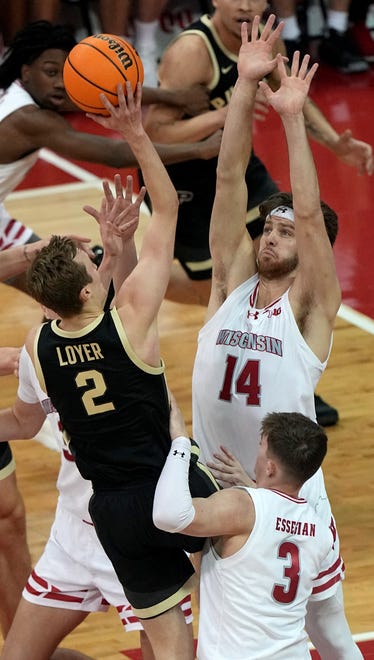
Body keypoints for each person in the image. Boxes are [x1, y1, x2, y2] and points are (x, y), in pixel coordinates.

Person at [2, 82, 218, 660]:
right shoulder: (132, 322)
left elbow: (21, 424)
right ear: (86, 286)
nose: (99, 258)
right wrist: (135, 133)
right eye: (92, 260)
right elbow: (168, 208)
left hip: (106, 508)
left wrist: (113, 250)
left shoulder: (38, 344)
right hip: (143, 507)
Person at [191, 15, 362, 659]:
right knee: (221, 635)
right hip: (219, 492)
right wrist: (243, 82)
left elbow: (314, 216)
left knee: (329, 632)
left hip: (288, 501)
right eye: (271, 227)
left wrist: (293, 116)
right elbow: (229, 178)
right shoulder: (228, 288)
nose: (272, 235)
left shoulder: (312, 311)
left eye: (286, 233)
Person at [0, 19, 220, 293]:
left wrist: (176, 97)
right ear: (26, 71)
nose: (59, 83)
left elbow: (108, 93)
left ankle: (55, 333)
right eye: (50, 72)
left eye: (62, 74)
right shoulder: (28, 119)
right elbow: (114, 154)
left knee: (66, 286)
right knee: (72, 287)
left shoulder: (21, 89)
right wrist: (200, 149)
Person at [154, 390, 336, 660]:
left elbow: (169, 515)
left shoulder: (241, 507)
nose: (257, 452)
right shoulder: (321, 532)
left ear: (271, 467)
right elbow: (275, 524)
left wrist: (181, 442)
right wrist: (253, 487)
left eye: (261, 446)